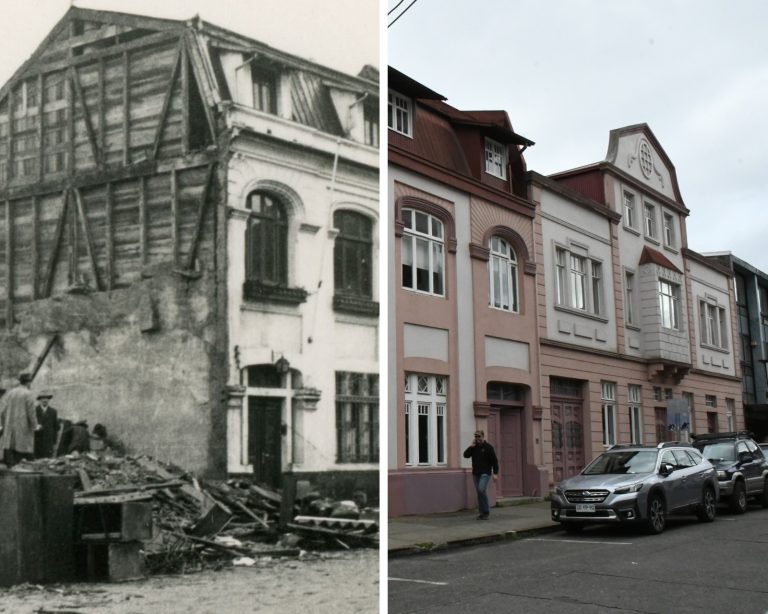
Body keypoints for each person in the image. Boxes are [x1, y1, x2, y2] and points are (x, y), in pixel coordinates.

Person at [0, 373, 41, 467]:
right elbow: (31, 412)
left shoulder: (10, 393)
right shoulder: (28, 393)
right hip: (23, 428)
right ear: (29, 382)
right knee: (24, 453)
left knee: (11, 452)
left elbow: (2, 411)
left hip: (10, 429)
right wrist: (35, 426)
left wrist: (4, 424)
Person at [463, 429, 499, 520]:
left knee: (481, 490)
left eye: (479, 436)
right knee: (480, 493)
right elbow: (465, 455)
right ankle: (482, 513)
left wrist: (495, 473)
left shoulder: (488, 447)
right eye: (475, 436)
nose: (477, 438)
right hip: (476, 473)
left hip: (485, 473)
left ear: (483, 436)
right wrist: (470, 446)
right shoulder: (474, 447)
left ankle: (486, 511)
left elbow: (494, 461)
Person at [34, 391, 60, 459]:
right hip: (37, 441)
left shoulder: (53, 411)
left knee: (47, 461)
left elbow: (56, 427)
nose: (45, 400)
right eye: (43, 398)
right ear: (39, 400)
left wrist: (54, 441)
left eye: (47, 398)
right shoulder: (34, 410)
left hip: (48, 442)